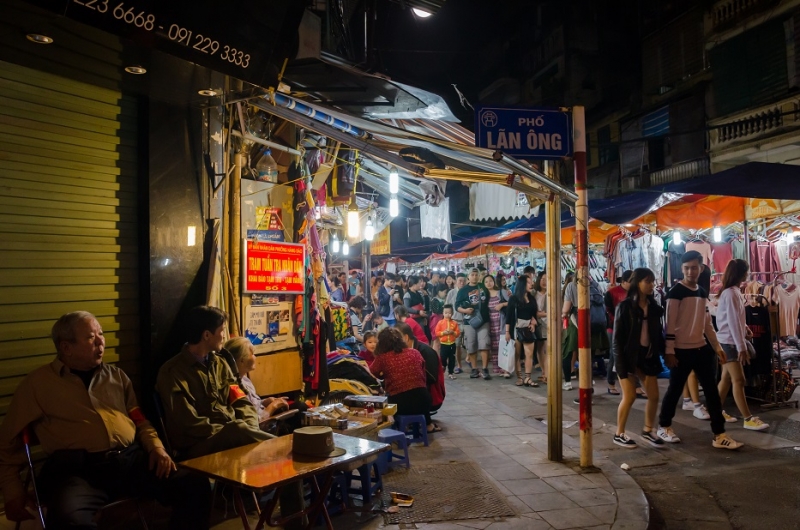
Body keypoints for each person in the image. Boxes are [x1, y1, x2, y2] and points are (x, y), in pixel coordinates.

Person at [0, 311, 210, 530]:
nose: (101, 342)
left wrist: (156, 448)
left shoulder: (116, 376)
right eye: (91, 337)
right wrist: (13, 492)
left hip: (129, 461)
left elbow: (139, 420)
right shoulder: (37, 385)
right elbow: (6, 443)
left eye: (101, 334)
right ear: (66, 347)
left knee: (195, 485)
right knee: (69, 520)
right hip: (77, 472)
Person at [156, 306, 305, 524]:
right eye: (221, 331)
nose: (224, 336)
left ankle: (297, 523)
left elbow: (240, 400)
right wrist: (232, 430)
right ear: (207, 335)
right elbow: (187, 423)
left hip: (233, 434)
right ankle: (292, 450)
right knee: (277, 448)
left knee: (286, 462)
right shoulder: (172, 372)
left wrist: (248, 426)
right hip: (196, 445)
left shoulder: (219, 364)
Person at [657, 252, 744, 449]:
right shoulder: (675, 292)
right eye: (687, 268)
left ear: (701, 268)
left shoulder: (702, 292)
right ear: (682, 269)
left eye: (694, 268)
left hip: (702, 349)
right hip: (681, 350)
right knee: (675, 390)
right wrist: (669, 351)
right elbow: (669, 324)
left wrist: (717, 346)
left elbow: (707, 324)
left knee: (712, 393)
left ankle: (719, 434)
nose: (690, 272)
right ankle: (664, 426)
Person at [611, 268, 665, 448]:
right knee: (629, 396)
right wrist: (620, 366)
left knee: (654, 396)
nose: (651, 285)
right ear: (637, 283)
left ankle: (648, 430)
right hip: (628, 358)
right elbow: (617, 340)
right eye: (647, 281)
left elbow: (658, 335)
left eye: (652, 281)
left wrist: (665, 353)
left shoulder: (654, 308)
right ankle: (619, 433)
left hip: (647, 357)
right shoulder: (625, 307)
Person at [715, 259, 769, 431]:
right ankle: (748, 418)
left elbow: (734, 317)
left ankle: (716, 411)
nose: (748, 274)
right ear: (741, 273)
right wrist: (741, 347)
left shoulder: (733, 292)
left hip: (728, 340)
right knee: (739, 380)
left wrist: (745, 327)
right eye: (746, 271)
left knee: (726, 378)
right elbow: (732, 320)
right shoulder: (731, 293)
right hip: (729, 342)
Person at [370, 328, 434, 431]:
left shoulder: (382, 358)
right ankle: (428, 425)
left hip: (400, 404)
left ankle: (398, 429)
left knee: (385, 400)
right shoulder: (415, 352)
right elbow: (422, 372)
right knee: (418, 393)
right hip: (424, 401)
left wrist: (384, 375)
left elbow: (373, 372)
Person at [224, 337, 289, 423]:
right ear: (242, 360)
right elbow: (254, 422)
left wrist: (265, 402)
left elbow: (253, 404)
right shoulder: (234, 388)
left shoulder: (245, 380)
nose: (255, 357)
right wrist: (273, 406)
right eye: (252, 354)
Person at [456, 268, 493, 380]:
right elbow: (457, 306)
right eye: (472, 274)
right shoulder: (462, 290)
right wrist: (465, 311)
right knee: (471, 345)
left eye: (476, 275)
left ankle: (485, 369)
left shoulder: (483, 287)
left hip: (484, 320)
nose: (474, 276)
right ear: (468, 276)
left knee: (484, 344)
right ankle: (474, 368)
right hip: (469, 322)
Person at [507, 274, 539, 387]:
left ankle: (528, 378)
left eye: (532, 282)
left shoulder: (532, 298)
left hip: (528, 329)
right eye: (528, 283)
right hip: (516, 329)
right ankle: (520, 377)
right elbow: (509, 317)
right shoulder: (513, 299)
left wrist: (534, 323)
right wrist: (507, 332)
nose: (531, 284)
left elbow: (534, 314)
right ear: (522, 284)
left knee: (529, 354)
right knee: (517, 355)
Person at [484, 275, 509, 376]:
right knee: (494, 346)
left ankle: (506, 369)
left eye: (490, 281)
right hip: (490, 324)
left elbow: (511, 302)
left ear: (494, 281)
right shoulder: (484, 295)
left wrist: (502, 304)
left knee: (504, 345)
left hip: (501, 322)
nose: (489, 283)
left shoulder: (501, 292)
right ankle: (498, 368)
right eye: (486, 282)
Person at [446, 273, 467, 374]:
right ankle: (458, 365)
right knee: (456, 345)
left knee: (470, 344)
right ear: (456, 281)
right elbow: (447, 307)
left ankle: (468, 359)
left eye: (464, 281)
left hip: (467, 322)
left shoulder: (469, 291)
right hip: (455, 322)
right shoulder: (451, 293)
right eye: (460, 281)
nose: (462, 283)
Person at [435, 305, 461, 379]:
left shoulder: (454, 323)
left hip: (452, 344)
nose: (447, 314)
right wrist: (443, 333)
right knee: (443, 358)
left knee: (452, 359)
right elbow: (436, 332)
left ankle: (451, 372)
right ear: (443, 313)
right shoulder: (440, 323)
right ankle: (443, 367)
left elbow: (458, 333)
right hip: (444, 344)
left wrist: (453, 332)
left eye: (449, 313)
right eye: (446, 313)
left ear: (452, 313)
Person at [534, 271, 550, 384]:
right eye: (542, 279)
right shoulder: (534, 294)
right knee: (539, 349)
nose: (544, 282)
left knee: (548, 349)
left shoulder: (552, 293)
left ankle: (548, 374)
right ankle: (544, 372)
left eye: (546, 279)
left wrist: (543, 314)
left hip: (548, 324)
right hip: (537, 324)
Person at [429, 283, 448, 353]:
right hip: (436, 321)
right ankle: (435, 356)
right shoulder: (434, 300)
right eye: (444, 292)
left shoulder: (441, 299)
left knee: (439, 341)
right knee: (436, 341)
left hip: (440, 320)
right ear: (439, 291)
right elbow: (436, 311)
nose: (445, 294)